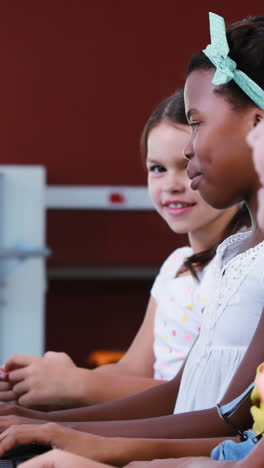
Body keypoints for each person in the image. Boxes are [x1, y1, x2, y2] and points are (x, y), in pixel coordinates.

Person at [0, 10, 264, 468]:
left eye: (197, 122)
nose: (187, 148)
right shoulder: (232, 252)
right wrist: (34, 419)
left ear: (257, 124)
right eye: (156, 167)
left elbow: (231, 420)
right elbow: (180, 392)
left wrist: (69, 433)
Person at [0, 91, 245, 411]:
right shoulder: (175, 267)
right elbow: (132, 370)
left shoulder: (245, 269)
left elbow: (207, 397)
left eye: (188, 166)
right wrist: (49, 382)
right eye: (157, 168)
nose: (171, 184)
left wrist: (78, 385)